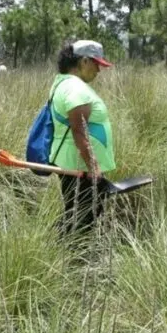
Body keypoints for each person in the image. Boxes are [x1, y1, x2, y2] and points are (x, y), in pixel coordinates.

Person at [49, 40, 116, 236]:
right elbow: (79, 130)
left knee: (80, 214)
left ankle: (67, 246)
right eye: (96, 64)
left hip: (77, 164)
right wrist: (93, 166)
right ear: (84, 61)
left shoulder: (65, 83)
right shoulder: (75, 88)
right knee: (83, 219)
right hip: (80, 167)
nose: (99, 70)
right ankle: (72, 252)